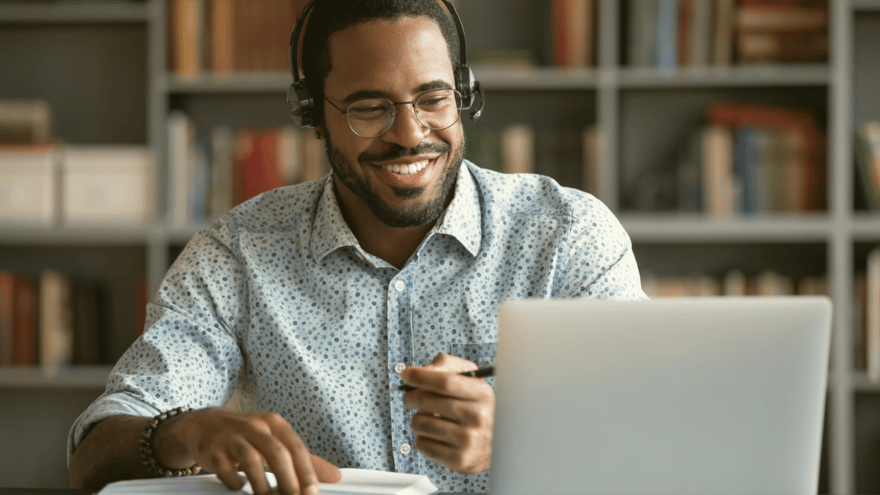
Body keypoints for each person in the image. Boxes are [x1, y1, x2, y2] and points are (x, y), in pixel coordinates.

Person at [67, 0, 647, 494]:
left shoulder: (569, 236)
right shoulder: (237, 254)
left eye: (433, 99)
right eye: (370, 107)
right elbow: (95, 453)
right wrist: (184, 431)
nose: (410, 133)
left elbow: (652, 442)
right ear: (312, 114)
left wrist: (523, 439)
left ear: (464, 97)